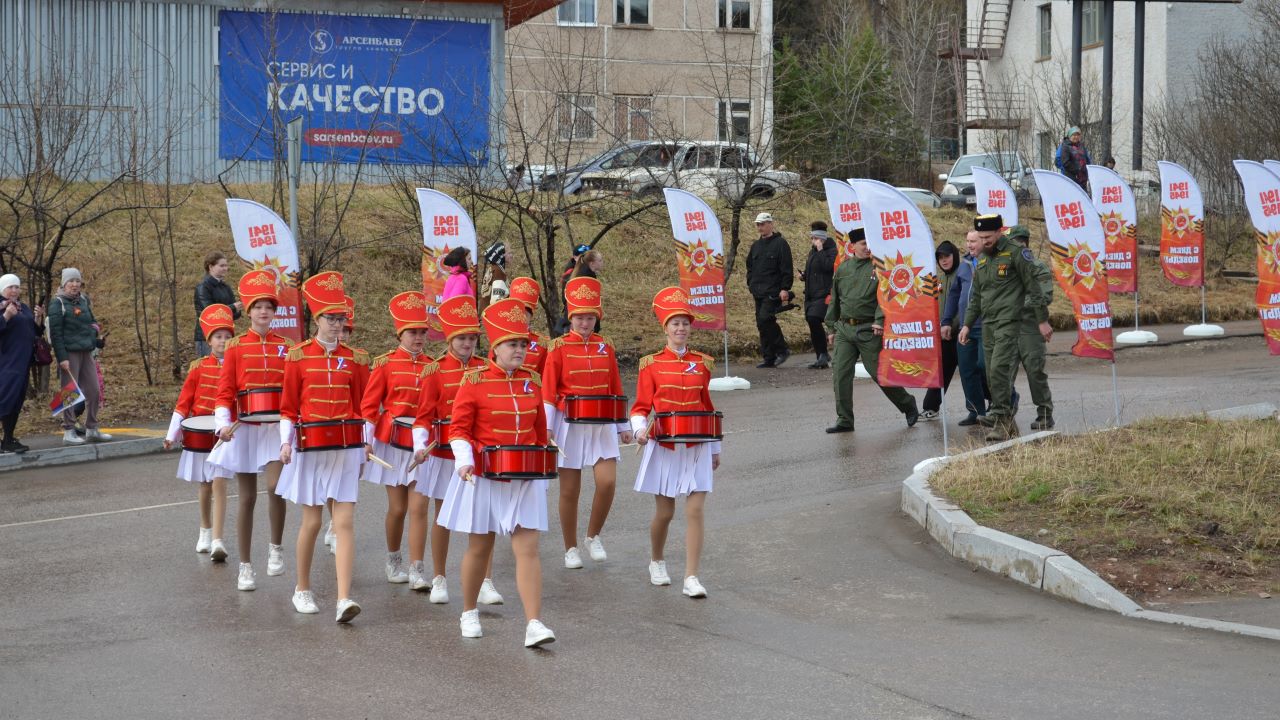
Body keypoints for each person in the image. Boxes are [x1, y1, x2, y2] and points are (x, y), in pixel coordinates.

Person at [441, 297, 557, 648]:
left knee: (528, 549)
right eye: (512, 345)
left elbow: (540, 432)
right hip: (485, 475)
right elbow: (458, 428)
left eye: (523, 344)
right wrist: (464, 461)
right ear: (496, 347)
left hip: (524, 477)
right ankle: (469, 610)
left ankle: (534, 623)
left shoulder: (532, 382)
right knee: (480, 546)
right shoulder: (473, 382)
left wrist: (542, 464)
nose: (520, 350)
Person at [276, 271, 371, 623]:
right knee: (312, 522)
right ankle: (302, 588)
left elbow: (363, 406)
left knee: (344, 522)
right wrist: (285, 442)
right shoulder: (298, 357)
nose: (336, 325)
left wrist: (366, 442)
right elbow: (288, 407)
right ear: (316, 319)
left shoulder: (356, 359)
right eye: (330, 318)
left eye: (340, 318)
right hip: (309, 447)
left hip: (345, 447)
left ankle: (344, 598)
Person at [410, 295, 504, 605]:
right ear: (451, 339)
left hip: (479, 455)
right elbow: (422, 416)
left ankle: (486, 580)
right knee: (443, 517)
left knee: (485, 518)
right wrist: (419, 445)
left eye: (472, 338)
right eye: (461, 338)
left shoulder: (487, 369)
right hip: (442, 455)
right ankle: (439, 577)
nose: (467, 343)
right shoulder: (434, 371)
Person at [630, 286, 721, 598]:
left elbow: (708, 407)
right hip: (664, 445)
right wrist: (640, 429)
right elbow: (640, 407)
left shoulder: (704, 363)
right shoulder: (650, 364)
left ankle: (691, 576)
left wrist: (716, 448)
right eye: (674, 324)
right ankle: (656, 560)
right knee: (665, 513)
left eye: (684, 323)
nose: (680, 329)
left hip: (697, 443)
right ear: (665, 328)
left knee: (694, 510)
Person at [542, 276, 632, 569]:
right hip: (569, 424)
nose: (585, 322)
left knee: (607, 482)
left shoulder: (606, 346)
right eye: (579, 317)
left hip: (603, 421)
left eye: (590, 317)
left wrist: (624, 426)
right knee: (570, 491)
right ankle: (570, 547)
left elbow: (615, 386)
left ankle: (593, 536)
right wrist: (547, 427)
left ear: (597, 318)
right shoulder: (557, 348)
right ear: (571, 318)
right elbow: (548, 390)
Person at [211, 270, 291, 591]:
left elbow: (293, 391)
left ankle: (275, 547)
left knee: (275, 487)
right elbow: (224, 391)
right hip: (244, 428)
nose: (263, 311)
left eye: (268, 306)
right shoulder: (235, 347)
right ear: (248, 310)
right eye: (257, 306)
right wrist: (222, 425)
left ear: (274, 312)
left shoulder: (287, 347)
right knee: (246, 499)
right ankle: (245, 566)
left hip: (274, 428)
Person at [360, 292, 434, 585]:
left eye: (422, 332)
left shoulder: (433, 366)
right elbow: (369, 407)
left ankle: (417, 570)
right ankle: (393, 559)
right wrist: (366, 440)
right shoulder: (385, 364)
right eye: (412, 332)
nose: (418, 338)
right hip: (392, 444)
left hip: (422, 444)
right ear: (399, 334)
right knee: (399, 508)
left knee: (419, 507)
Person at [959, 214, 1050, 442]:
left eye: (988, 237)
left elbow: (1034, 288)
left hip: (1009, 321)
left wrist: (1042, 320)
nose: (984, 241)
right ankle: (1003, 423)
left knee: (1000, 368)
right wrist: (967, 325)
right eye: (980, 237)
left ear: (1000, 232)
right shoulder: (982, 259)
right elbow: (977, 296)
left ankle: (1001, 415)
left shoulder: (1017, 254)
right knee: (991, 372)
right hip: (988, 323)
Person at [823, 229, 920, 433]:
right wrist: (831, 326)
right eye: (862, 243)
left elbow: (885, 297)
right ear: (853, 246)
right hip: (844, 329)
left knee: (878, 373)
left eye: (869, 243)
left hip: (868, 329)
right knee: (840, 373)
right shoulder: (843, 269)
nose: (867, 247)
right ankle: (845, 419)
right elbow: (835, 298)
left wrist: (879, 319)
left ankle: (907, 403)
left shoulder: (880, 268)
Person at [164, 304, 235, 561]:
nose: (223, 341)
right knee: (205, 485)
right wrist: (172, 434)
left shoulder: (236, 367)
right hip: (199, 433)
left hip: (223, 433)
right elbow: (184, 403)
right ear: (209, 340)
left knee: (219, 483)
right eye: (218, 337)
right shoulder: (197, 367)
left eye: (227, 337)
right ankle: (204, 530)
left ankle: (218, 539)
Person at [48, 268, 110, 445]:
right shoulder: (57, 304)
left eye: (77, 281)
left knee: (94, 389)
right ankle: (68, 430)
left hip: (86, 351)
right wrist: (62, 358)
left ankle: (92, 428)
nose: (75, 285)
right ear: (63, 283)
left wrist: (95, 339)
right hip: (69, 354)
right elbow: (56, 334)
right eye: (71, 281)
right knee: (68, 392)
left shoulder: (83, 300)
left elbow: (92, 322)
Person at [1005, 225, 1056, 430]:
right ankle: (1004, 414)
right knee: (1002, 373)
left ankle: (1045, 413)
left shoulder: (1037, 267)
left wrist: (1015, 303)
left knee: (1035, 372)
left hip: (1030, 328)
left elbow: (1044, 296)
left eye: (1015, 243)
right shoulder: (1007, 268)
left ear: (1023, 243)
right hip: (1008, 327)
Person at [942, 232, 992, 425]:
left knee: (984, 366)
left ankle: (1006, 400)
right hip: (966, 328)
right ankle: (975, 411)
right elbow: (954, 295)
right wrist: (946, 321)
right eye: (968, 241)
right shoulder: (964, 265)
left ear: (983, 241)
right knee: (967, 369)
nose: (969, 245)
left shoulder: (992, 261)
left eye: (973, 241)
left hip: (987, 325)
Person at [0, 274, 44, 453]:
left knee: (16, 401)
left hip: (23, 361)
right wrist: (5, 317)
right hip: (6, 361)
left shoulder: (22, 307)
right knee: (4, 398)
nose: (14, 290)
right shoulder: (3, 308)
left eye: (17, 287)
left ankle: (8, 439)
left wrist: (39, 319)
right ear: (2, 289)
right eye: (10, 287)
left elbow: (34, 331)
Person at [745, 212, 794, 368]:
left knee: (766, 319)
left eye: (763, 224)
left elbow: (786, 268)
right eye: (758, 224)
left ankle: (782, 350)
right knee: (761, 323)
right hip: (758, 290)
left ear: (770, 224)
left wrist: (785, 288)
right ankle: (769, 357)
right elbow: (749, 267)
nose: (760, 227)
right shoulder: (756, 246)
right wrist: (750, 283)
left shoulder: (781, 244)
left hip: (773, 291)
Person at [921, 241, 961, 420]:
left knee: (974, 372)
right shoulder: (936, 279)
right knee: (940, 373)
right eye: (940, 258)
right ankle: (930, 407)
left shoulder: (964, 274)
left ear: (955, 255)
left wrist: (955, 326)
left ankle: (993, 401)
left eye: (947, 256)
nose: (944, 261)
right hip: (943, 336)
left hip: (962, 333)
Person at [798, 221, 837, 369]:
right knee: (811, 321)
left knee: (814, 319)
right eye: (812, 238)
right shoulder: (812, 251)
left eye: (814, 238)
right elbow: (813, 270)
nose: (812, 241)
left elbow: (828, 267)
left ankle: (823, 354)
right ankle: (821, 354)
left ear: (821, 238)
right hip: (811, 294)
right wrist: (804, 276)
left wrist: (821, 251)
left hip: (824, 293)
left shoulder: (831, 250)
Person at [493, 277, 548, 374]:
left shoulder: (542, 344)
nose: (520, 318)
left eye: (524, 314)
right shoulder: (501, 338)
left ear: (531, 317)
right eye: (516, 313)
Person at [193, 251, 243, 358]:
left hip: (225, 337)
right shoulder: (203, 287)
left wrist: (239, 309)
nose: (225, 268)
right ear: (211, 267)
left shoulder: (225, 287)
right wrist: (233, 307)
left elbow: (233, 315)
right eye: (222, 265)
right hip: (206, 337)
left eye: (226, 265)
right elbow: (209, 312)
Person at [1055, 126, 1093, 190]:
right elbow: (1058, 161)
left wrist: (1089, 169)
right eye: (1074, 135)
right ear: (1069, 136)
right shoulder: (1064, 146)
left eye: (1078, 135)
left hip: (1083, 177)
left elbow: (1087, 159)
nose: (1076, 137)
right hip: (1070, 177)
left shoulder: (1081, 146)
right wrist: (1070, 170)